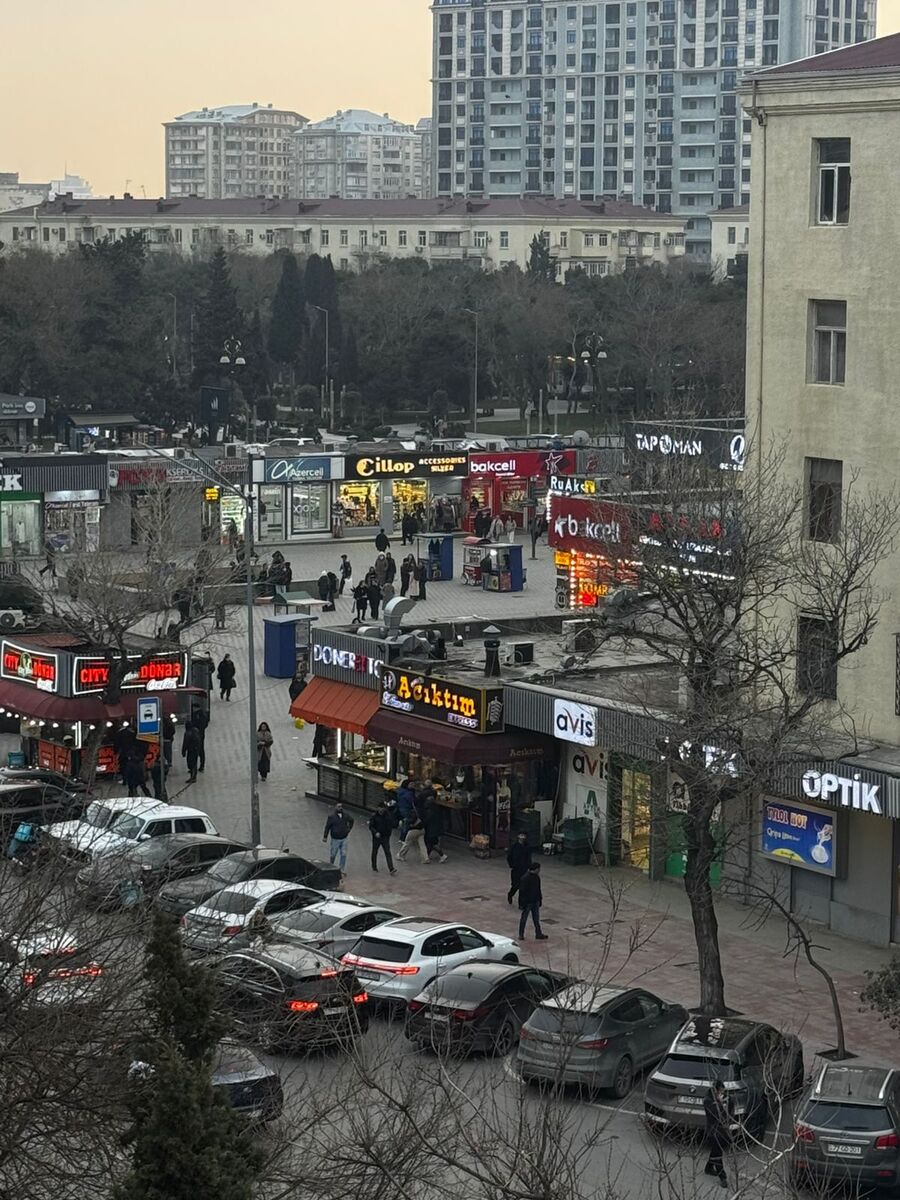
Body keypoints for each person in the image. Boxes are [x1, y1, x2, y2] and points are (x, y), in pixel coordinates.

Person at [704, 1080, 732, 1188]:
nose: (722, 1093)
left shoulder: (726, 1098)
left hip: (724, 1129)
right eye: (720, 1091)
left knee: (716, 1150)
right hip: (714, 1130)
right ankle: (722, 1176)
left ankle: (709, 1167)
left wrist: (727, 1102)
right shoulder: (708, 1101)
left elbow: (730, 1111)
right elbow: (715, 1114)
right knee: (717, 1153)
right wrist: (720, 1103)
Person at [517, 863, 547, 940]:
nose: (539, 870)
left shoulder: (536, 877)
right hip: (528, 902)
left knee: (536, 919)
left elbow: (538, 889)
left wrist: (540, 899)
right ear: (536, 869)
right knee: (524, 918)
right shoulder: (525, 878)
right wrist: (521, 903)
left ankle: (538, 933)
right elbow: (522, 892)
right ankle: (521, 934)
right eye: (539, 869)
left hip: (535, 900)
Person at [420, 781, 447, 863]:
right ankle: (427, 856)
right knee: (432, 843)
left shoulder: (429, 811)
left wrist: (421, 823)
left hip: (431, 829)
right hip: (436, 828)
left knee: (431, 843)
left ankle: (440, 855)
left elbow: (427, 820)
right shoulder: (436, 809)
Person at [323, 803, 354, 874]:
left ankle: (341, 869)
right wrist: (325, 836)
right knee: (333, 854)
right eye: (339, 806)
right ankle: (331, 865)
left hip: (344, 838)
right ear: (335, 807)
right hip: (335, 839)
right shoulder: (331, 817)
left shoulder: (346, 815)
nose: (340, 808)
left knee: (343, 854)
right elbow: (327, 827)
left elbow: (352, 820)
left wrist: (349, 829)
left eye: (341, 806)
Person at [368, 800, 397, 874]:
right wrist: (375, 833)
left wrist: (389, 833)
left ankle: (391, 868)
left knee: (387, 852)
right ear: (378, 808)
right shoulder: (374, 816)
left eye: (383, 808)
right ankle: (374, 866)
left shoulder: (388, 816)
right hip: (377, 837)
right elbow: (371, 826)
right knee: (375, 851)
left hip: (385, 837)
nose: (382, 810)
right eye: (380, 808)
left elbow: (391, 824)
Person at [397, 797, 429, 863]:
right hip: (422, 829)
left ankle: (400, 855)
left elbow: (411, 820)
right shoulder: (424, 810)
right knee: (422, 844)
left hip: (414, 830)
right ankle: (425, 858)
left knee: (407, 843)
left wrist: (406, 824)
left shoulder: (414, 811)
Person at [506, 831, 533, 904]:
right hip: (516, 869)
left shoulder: (527, 847)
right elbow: (509, 857)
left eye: (524, 835)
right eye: (521, 835)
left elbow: (529, 858)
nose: (522, 837)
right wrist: (512, 865)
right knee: (515, 885)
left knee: (523, 887)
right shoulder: (514, 846)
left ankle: (521, 903)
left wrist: (530, 867)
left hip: (524, 869)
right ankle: (510, 894)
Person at [395, 778, 416, 842]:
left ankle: (402, 823)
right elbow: (412, 802)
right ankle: (403, 838)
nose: (413, 785)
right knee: (407, 823)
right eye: (411, 784)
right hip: (407, 809)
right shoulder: (409, 793)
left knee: (406, 822)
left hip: (401, 808)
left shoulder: (401, 790)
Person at [191, 707, 210, 773]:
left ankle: (199, 766)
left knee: (199, 750)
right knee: (200, 750)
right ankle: (198, 766)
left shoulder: (200, 715)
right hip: (200, 734)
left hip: (199, 735)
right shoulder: (200, 714)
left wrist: (198, 729)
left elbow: (204, 724)